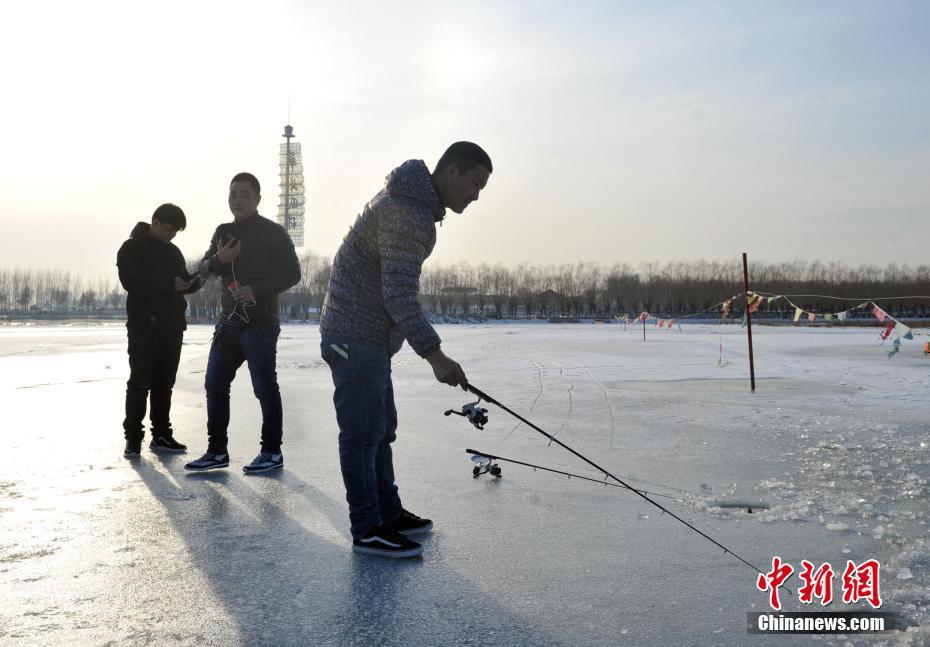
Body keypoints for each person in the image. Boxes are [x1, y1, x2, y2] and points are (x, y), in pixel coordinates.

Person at [320, 142, 492, 557]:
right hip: (352, 336)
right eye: (474, 184)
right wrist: (435, 355)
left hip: (367, 339)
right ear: (451, 171)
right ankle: (367, 528)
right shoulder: (409, 212)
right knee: (362, 435)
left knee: (381, 430)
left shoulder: (410, 203)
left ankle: (388, 512)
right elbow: (398, 294)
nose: (476, 195)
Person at [185, 172, 301, 474]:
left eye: (245, 194)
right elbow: (204, 269)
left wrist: (256, 291)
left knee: (264, 388)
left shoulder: (274, 233)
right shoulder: (223, 231)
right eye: (233, 193)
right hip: (227, 325)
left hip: (261, 325)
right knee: (214, 385)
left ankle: (272, 451)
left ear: (258, 199)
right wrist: (221, 258)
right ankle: (217, 450)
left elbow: (293, 273)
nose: (238, 200)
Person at [117, 203, 203, 458]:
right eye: (168, 228)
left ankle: (162, 435)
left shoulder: (173, 252)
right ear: (154, 222)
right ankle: (133, 438)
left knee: (164, 384)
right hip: (144, 327)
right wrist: (170, 284)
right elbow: (130, 281)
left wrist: (194, 283)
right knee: (140, 383)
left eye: (175, 231)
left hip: (172, 326)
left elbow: (182, 283)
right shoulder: (132, 247)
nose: (171, 234)